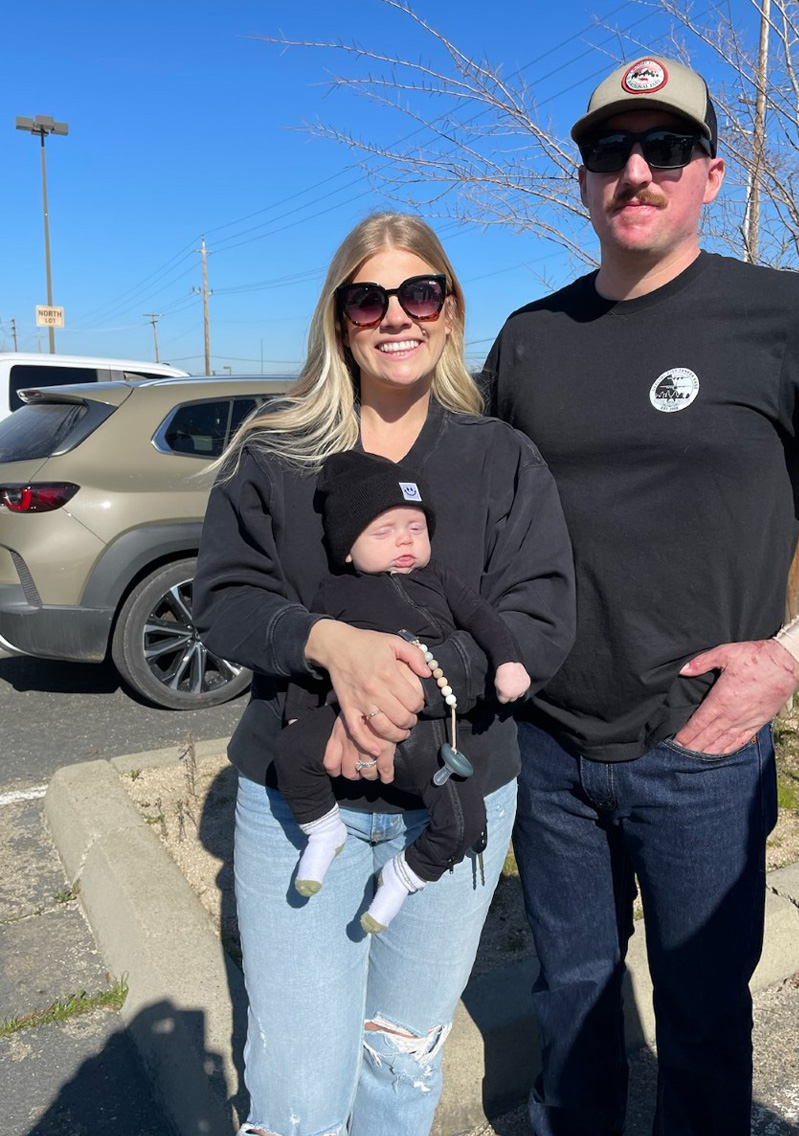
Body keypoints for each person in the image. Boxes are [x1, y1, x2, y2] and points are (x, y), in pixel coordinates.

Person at [484, 54, 799, 1136]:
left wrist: (793, 654)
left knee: (701, 1013)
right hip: (547, 739)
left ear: (709, 174)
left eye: (665, 147)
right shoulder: (529, 335)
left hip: (705, 750)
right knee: (570, 993)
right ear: (581, 178)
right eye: (609, 150)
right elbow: (479, 515)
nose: (636, 170)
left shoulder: (787, 315)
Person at [193, 211, 574, 1136]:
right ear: (339, 317)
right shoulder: (273, 452)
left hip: (455, 797)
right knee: (296, 1081)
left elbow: (540, 614)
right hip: (296, 805)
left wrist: (424, 671)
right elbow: (224, 599)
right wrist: (331, 643)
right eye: (369, 297)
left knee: (402, 1056)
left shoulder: (500, 457)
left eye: (419, 293)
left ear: (447, 311)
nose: (394, 315)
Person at [277, 448, 531, 933]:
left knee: (462, 824)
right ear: (348, 548)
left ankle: (404, 876)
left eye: (416, 528)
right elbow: (309, 668)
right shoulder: (333, 593)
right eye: (384, 531)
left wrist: (508, 661)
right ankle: (321, 829)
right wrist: (298, 715)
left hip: (434, 735)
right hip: (349, 721)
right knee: (290, 751)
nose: (404, 541)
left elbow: (483, 618)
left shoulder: (439, 579)